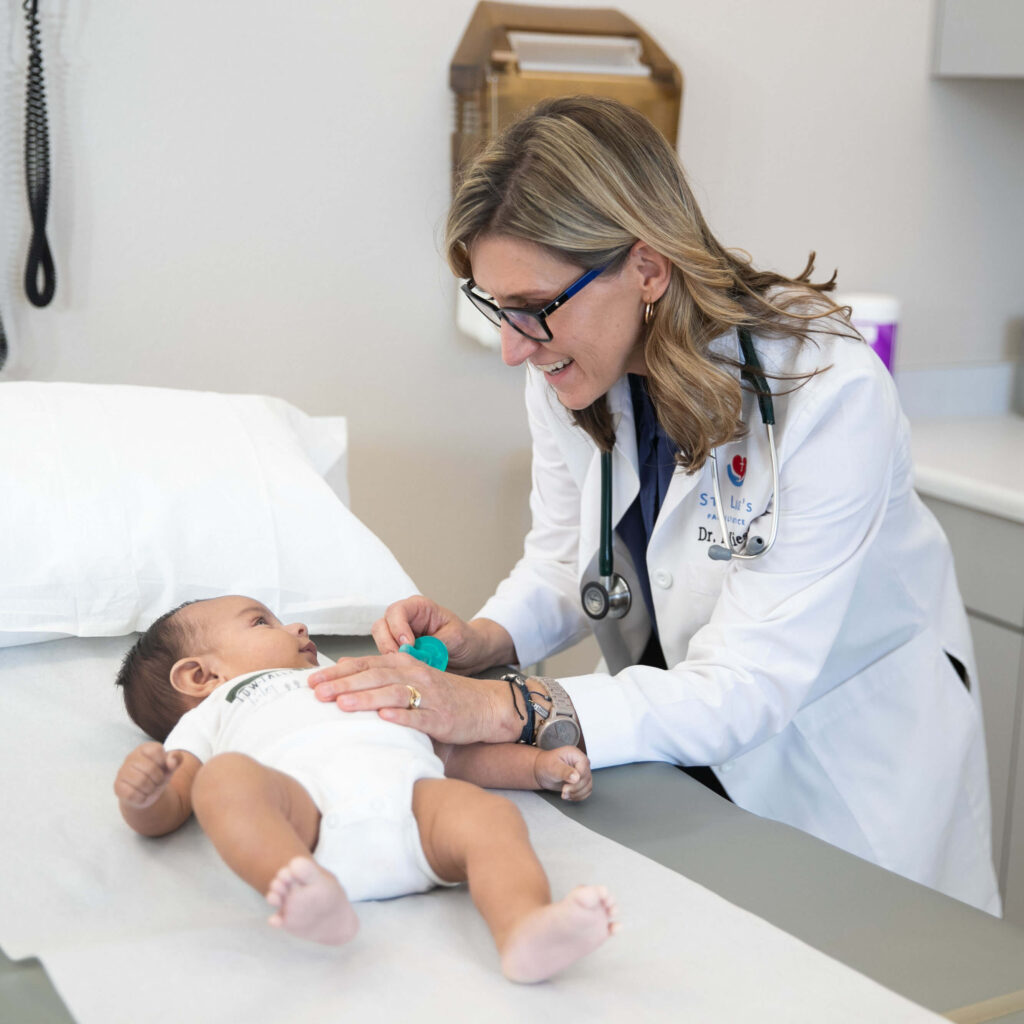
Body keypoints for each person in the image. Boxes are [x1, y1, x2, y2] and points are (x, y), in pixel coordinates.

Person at [306, 95, 1000, 914]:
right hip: (680, 752)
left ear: (646, 267)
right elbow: (570, 559)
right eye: (497, 308)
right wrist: (488, 639)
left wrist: (504, 706)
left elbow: (747, 685)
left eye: (533, 308)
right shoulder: (568, 370)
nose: (510, 348)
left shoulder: (825, 395)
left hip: (843, 769)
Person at [113, 595, 615, 982]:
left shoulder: (361, 678)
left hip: (417, 815)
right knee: (224, 781)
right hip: (306, 818)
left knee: (491, 818)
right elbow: (175, 798)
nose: (298, 627)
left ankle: (522, 926)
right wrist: (145, 794)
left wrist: (536, 767)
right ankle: (296, 882)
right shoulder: (219, 706)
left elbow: (454, 754)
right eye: (262, 622)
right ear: (203, 674)